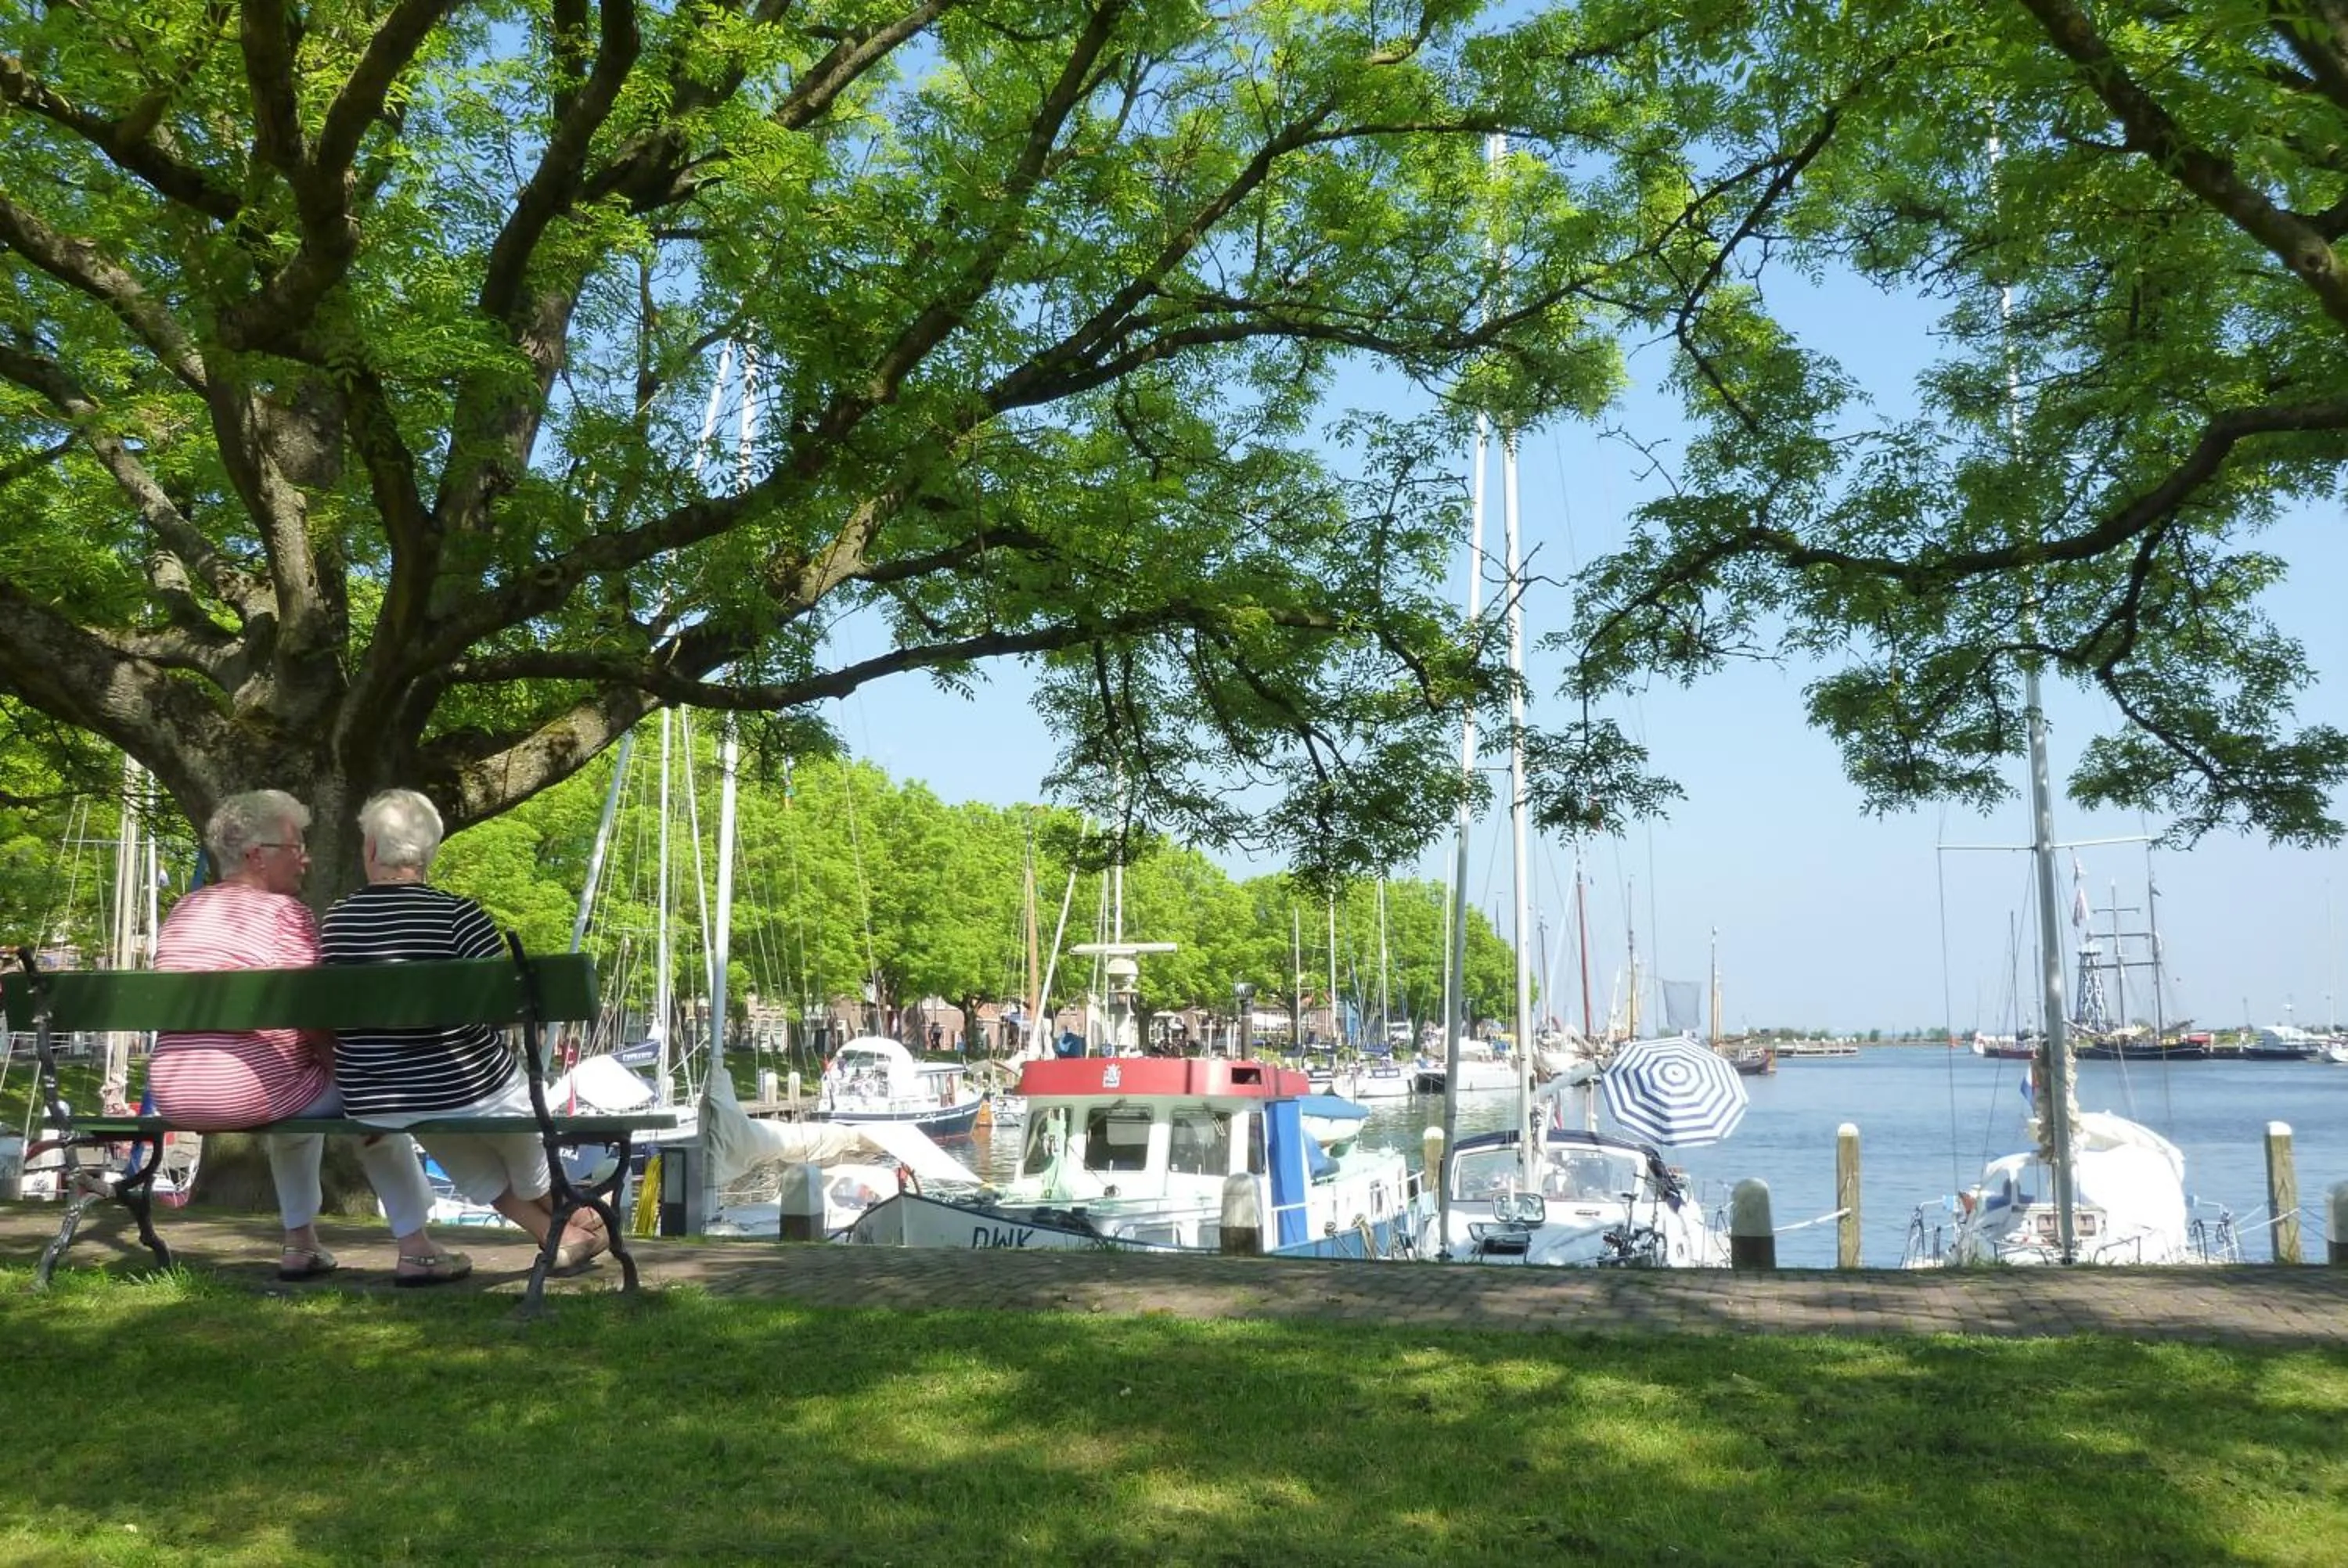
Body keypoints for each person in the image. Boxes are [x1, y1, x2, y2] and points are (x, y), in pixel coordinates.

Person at [149, 789, 462, 1285]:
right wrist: (357, 1085)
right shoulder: (286, 915)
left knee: (301, 1105)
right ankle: (416, 1247)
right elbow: (315, 1016)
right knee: (368, 1102)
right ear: (257, 855)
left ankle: (301, 1243)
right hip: (244, 1092)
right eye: (295, 847)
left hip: (175, 1092)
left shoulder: (184, 911)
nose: (306, 858)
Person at [318, 789, 607, 1271]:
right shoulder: (459, 915)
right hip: (468, 1085)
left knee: (444, 1129)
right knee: (505, 1106)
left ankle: (559, 1234)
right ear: (429, 853)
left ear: (371, 849)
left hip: (379, 1096)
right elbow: (502, 1008)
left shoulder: (338, 921)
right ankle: (569, 1208)